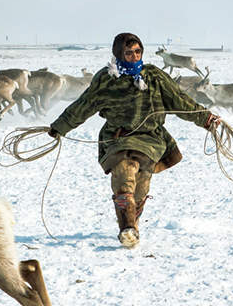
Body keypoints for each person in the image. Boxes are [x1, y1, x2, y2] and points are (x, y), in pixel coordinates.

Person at [47, 32, 220, 249]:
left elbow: (180, 101)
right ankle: (127, 228)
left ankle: (132, 223)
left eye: (138, 52)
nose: (134, 56)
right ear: (119, 53)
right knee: (124, 173)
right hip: (118, 138)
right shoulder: (106, 79)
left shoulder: (154, 76)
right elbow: (84, 105)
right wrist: (60, 127)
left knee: (140, 188)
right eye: (129, 52)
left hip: (150, 139)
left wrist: (206, 118)